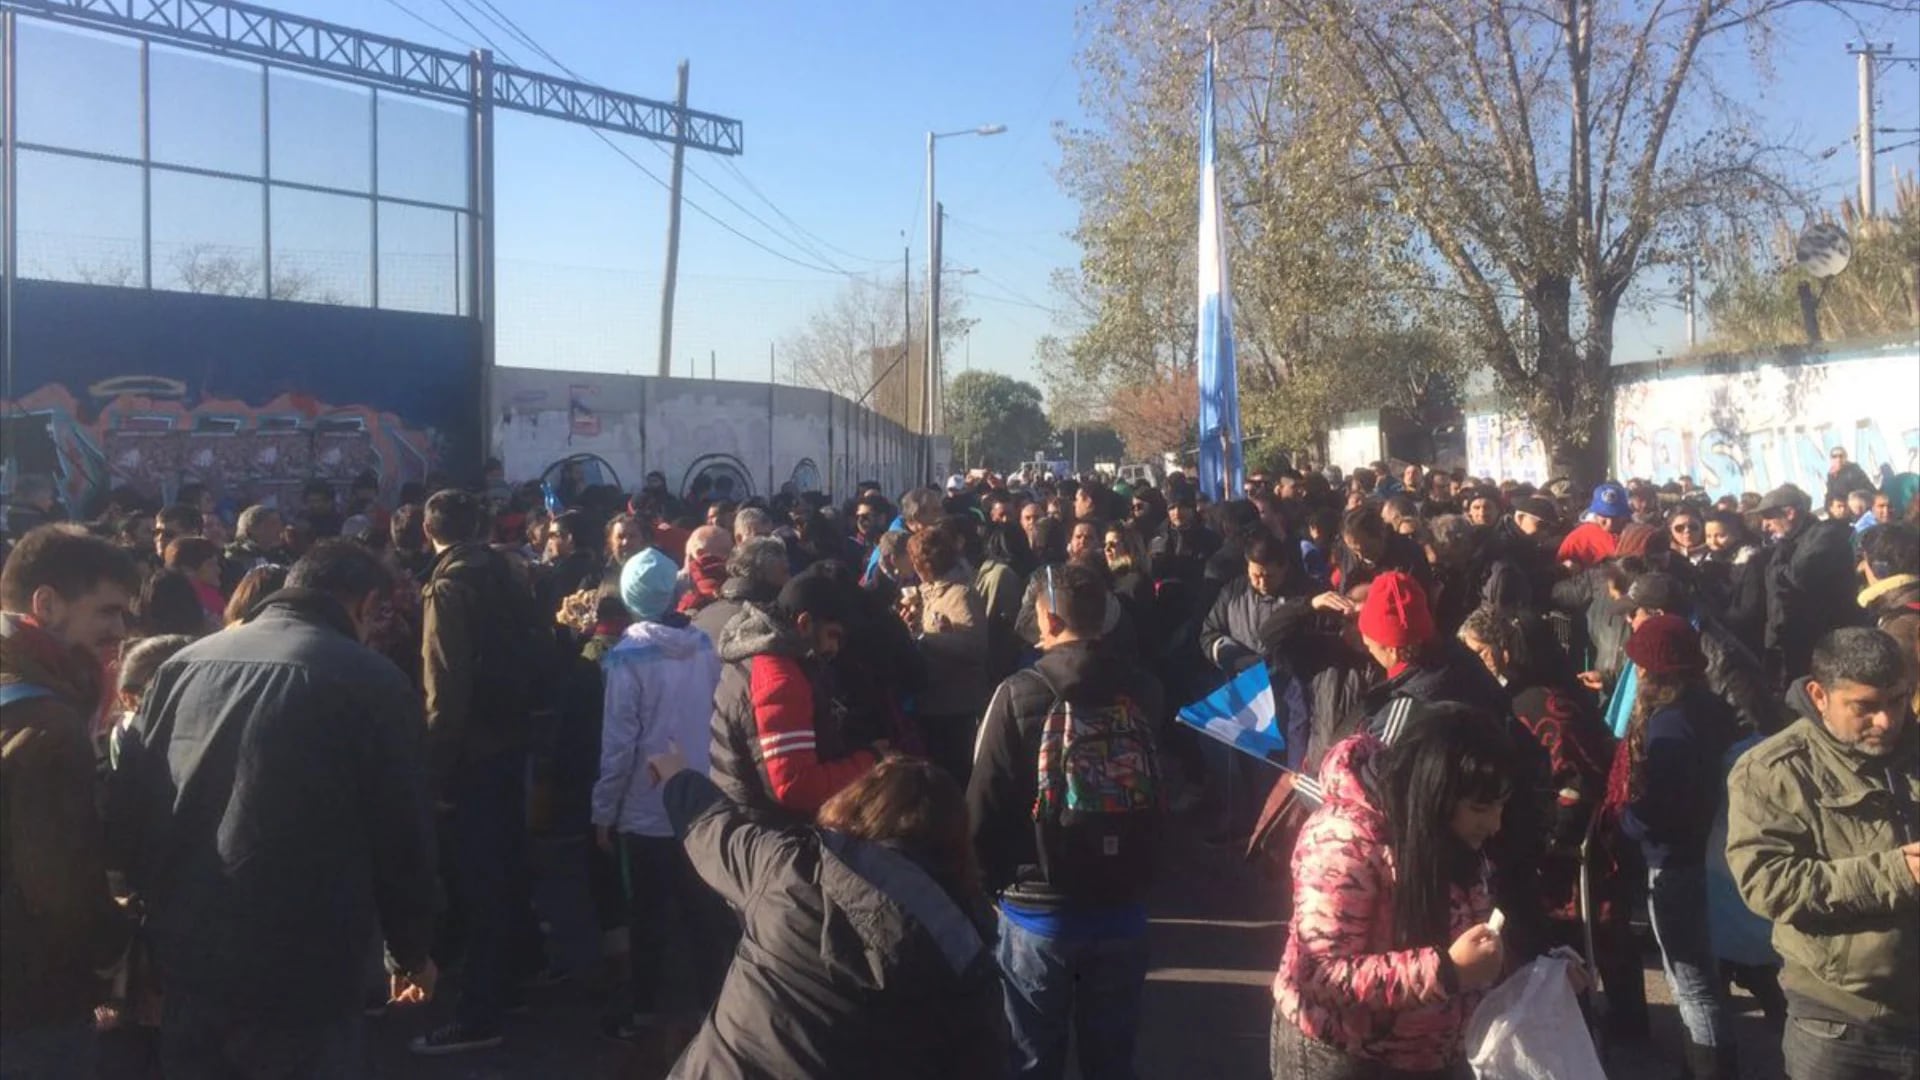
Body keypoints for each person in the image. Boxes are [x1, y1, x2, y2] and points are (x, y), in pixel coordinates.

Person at [110, 540, 437, 1078]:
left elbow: (129, 813)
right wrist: (410, 950)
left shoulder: (182, 666)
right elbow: (403, 833)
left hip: (189, 950)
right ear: (366, 603)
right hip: (305, 961)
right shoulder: (369, 680)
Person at [658, 752, 1007, 1077]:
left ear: (857, 805)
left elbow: (713, 828)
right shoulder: (964, 967)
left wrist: (675, 775)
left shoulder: (791, 868)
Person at [968, 561, 1165, 1080]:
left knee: (1031, 1051)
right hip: (1123, 899)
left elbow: (984, 797)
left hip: (1038, 905)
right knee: (1112, 1053)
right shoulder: (1144, 689)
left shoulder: (1018, 693)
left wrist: (988, 885)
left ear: (1048, 620)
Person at [1270, 705, 1514, 1078]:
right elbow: (1318, 972)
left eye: (1500, 807)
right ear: (1436, 791)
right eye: (1480, 807)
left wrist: (1536, 970)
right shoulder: (1345, 839)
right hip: (1344, 1055)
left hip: (1431, 1054)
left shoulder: (1450, 833)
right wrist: (1446, 972)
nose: (1495, 825)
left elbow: (1472, 924)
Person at [1726, 628, 1918, 1080]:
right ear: (1820, 695)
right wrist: (1897, 872)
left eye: (1897, 701)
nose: (1886, 721)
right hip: (1838, 1023)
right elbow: (1767, 883)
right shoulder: (1773, 771)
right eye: (1865, 707)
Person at [0, 527, 138, 1077]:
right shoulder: (52, 724)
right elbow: (60, 892)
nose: (119, 631)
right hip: (31, 999)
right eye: (106, 612)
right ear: (47, 604)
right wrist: (117, 942)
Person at [416, 489, 545, 1053]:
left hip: (473, 748)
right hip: (515, 732)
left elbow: (445, 686)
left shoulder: (448, 586)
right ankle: (516, 980)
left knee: (479, 878)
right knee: (509, 863)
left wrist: (435, 767)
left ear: (428, 530)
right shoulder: (507, 572)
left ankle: (481, 1010)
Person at [592, 548, 732, 1039]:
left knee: (645, 913)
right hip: (699, 800)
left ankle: (643, 1007)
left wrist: (602, 811)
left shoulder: (625, 660)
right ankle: (712, 1007)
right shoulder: (704, 646)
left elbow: (618, 746)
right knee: (701, 911)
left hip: (645, 807)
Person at [1611, 614, 1740, 1077]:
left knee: (1691, 982)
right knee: (1702, 972)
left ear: (1650, 672)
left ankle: (1709, 1067)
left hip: (1674, 860)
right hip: (1709, 855)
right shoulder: (1712, 707)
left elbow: (1656, 810)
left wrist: (1625, 820)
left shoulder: (1669, 727)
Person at [710, 567, 879, 820]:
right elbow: (794, 786)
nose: (835, 648)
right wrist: (871, 762)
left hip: (744, 816)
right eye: (833, 635)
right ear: (804, 623)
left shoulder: (757, 653)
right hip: (770, 829)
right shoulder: (780, 677)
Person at [900, 527, 989, 784]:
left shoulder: (960, 594)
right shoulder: (928, 592)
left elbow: (974, 645)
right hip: (930, 701)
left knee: (953, 774)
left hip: (955, 705)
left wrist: (926, 638)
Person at [1757, 483, 1867, 688]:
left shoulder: (1824, 535)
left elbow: (1798, 577)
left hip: (1824, 638)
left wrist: (1776, 569)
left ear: (1789, 513)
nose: (1765, 526)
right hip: (1793, 640)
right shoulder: (1789, 543)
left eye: (1769, 517)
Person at [1557, 481, 1632, 568]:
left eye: (1616, 517)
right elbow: (1560, 569)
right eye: (1604, 516)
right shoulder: (1578, 539)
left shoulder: (1636, 535)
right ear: (1595, 513)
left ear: (1625, 516)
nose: (1610, 522)